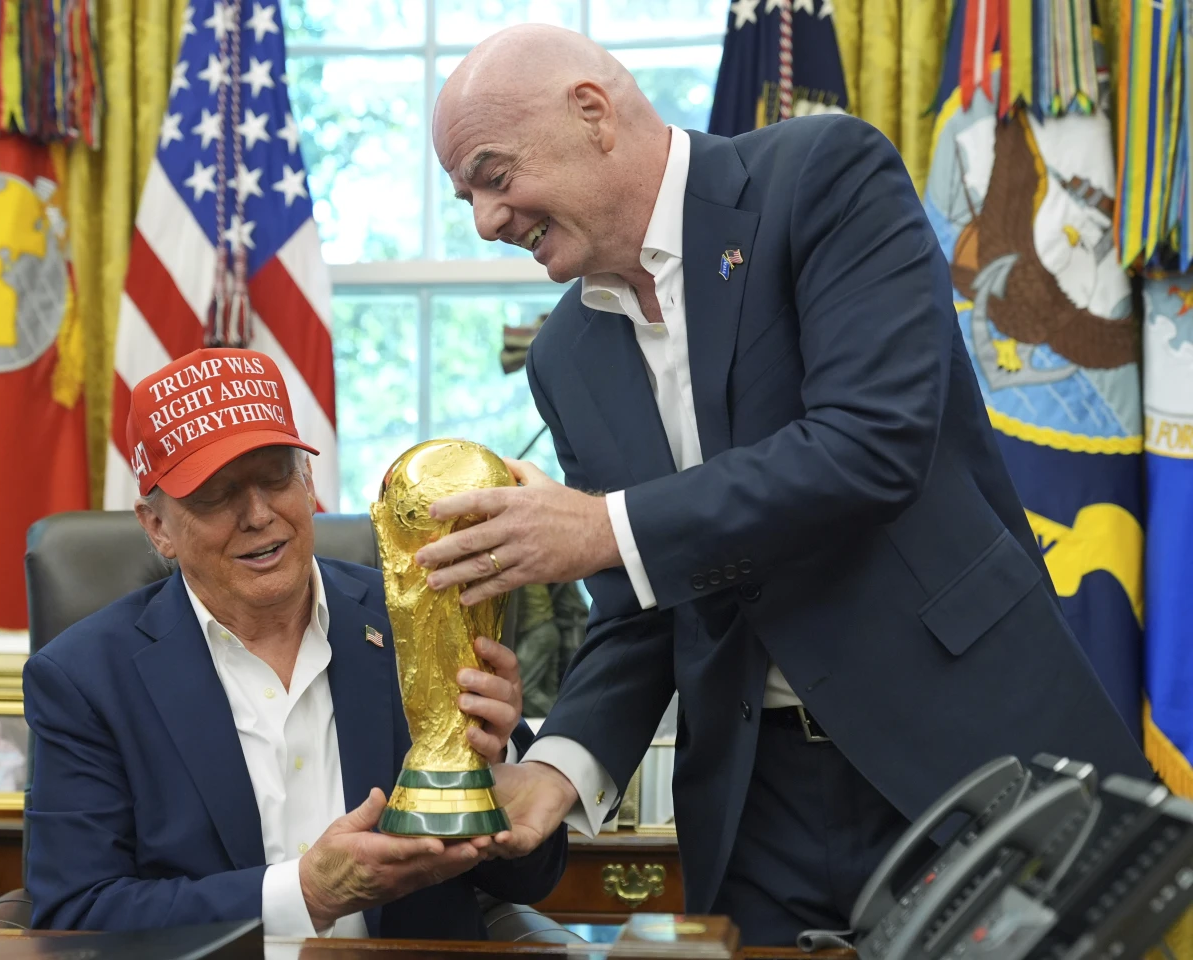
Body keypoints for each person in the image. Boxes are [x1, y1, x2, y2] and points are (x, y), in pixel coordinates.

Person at [420, 24, 1151, 945]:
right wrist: (558, 769)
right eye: (465, 197)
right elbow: (643, 601)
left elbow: (870, 444)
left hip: (961, 754)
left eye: (493, 175)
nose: (486, 220)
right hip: (755, 809)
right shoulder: (566, 353)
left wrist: (605, 529)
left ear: (593, 114)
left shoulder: (822, 175)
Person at [22, 347, 566, 934]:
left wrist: (498, 758)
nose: (258, 515)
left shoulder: (419, 615)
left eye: (276, 476)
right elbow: (76, 914)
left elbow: (532, 879)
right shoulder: (85, 678)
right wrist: (303, 894)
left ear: (307, 482)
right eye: (215, 494)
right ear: (157, 527)